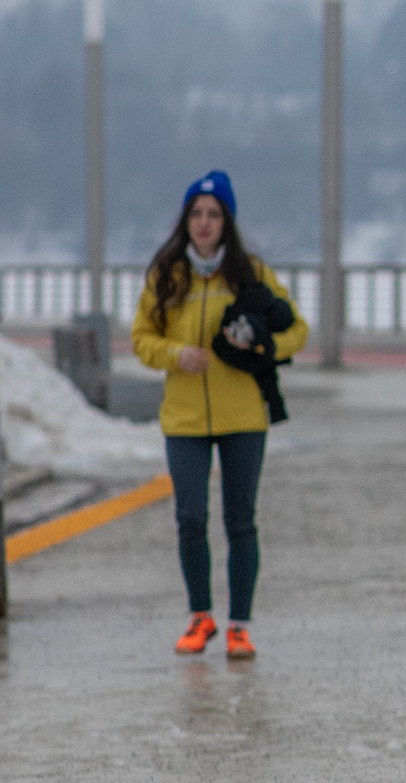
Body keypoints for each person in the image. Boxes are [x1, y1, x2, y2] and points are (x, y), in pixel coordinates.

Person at [132, 169, 308, 662]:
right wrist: (175, 355)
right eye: (197, 213)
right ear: (185, 220)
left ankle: (239, 626)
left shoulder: (250, 274)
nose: (204, 223)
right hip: (184, 418)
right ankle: (200, 616)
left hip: (243, 417)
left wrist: (264, 345)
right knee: (190, 518)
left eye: (214, 214)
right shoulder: (166, 274)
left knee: (240, 522)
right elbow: (141, 339)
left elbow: (297, 329)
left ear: (226, 221)